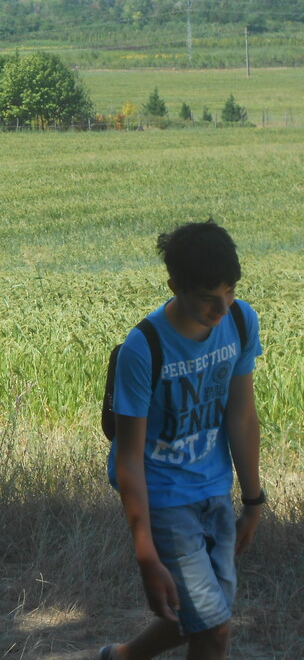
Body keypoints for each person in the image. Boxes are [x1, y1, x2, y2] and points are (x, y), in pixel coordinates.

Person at [101, 221, 265, 660]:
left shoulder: (241, 321)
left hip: (214, 489)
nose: (222, 308)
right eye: (208, 297)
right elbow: (129, 458)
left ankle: (120, 657)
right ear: (175, 286)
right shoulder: (144, 348)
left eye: (230, 291)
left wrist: (253, 501)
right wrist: (146, 555)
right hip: (164, 493)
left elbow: (242, 417)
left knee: (202, 616)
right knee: (214, 627)